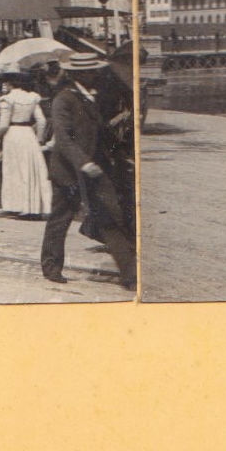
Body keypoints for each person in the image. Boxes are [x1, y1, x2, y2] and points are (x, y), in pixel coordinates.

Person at [41, 52, 137, 289]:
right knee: (60, 220)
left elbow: (97, 133)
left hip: (94, 170)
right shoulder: (64, 99)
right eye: (90, 71)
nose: (95, 75)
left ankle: (130, 274)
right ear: (78, 74)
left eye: (95, 70)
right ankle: (51, 267)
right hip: (69, 171)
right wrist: (83, 162)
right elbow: (63, 138)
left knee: (109, 217)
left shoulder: (90, 98)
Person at [0, 71, 53, 218]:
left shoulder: (7, 99)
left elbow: (3, 125)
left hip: (13, 134)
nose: (4, 85)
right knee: (29, 168)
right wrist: (39, 139)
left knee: (14, 169)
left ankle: (16, 205)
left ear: (11, 84)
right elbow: (41, 121)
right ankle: (33, 206)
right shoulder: (32, 97)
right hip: (28, 134)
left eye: (6, 83)